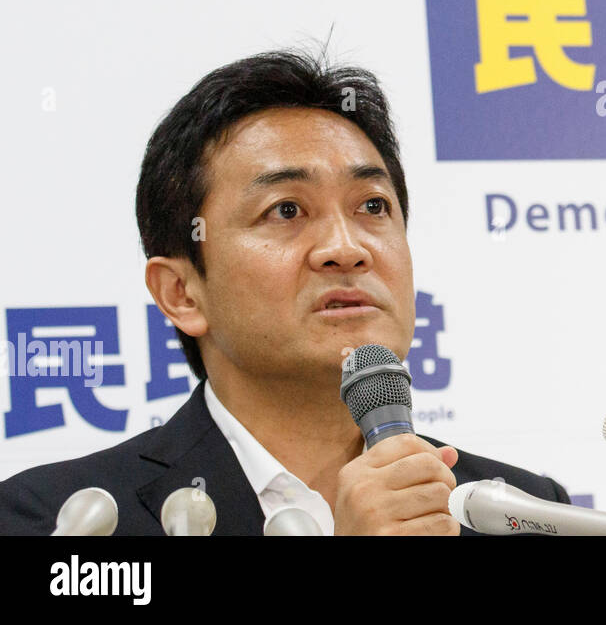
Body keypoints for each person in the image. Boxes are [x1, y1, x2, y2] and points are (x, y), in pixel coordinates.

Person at [0, 47, 568, 535]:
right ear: (181, 293)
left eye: (373, 207)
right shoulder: (62, 517)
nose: (346, 248)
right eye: (286, 210)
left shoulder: (520, 511)